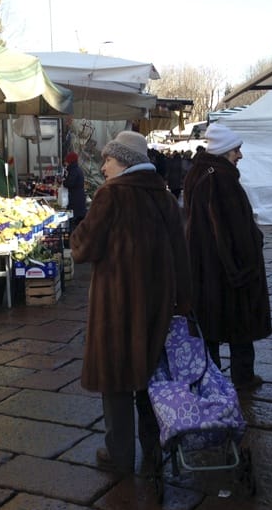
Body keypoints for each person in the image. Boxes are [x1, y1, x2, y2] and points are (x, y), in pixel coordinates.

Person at [70, 130, 192, 475]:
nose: (104, 166)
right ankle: (153, 451)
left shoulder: (111, 196)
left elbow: (83, 248)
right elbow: (181, 256)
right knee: (150, 380)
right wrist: (183, 302)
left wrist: (77, 230)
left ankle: (119, 454)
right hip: (157, 306)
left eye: (109, 159)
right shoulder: (166, 199)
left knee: (116, 382)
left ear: (124, 161)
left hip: (117, 308)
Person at [182, 123, 272, 391]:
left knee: (209, 326)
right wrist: (245, 264)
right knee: (239, 324)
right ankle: (243, 377)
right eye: (236, 150)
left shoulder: (199, 174)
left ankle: (211, 378)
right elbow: (231, 229)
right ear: (224, 151)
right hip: (226, 269)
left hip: (203, 265)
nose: (240, 155)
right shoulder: (221, 179)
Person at [62, 151, 87, 228]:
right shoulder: (76, 169)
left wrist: (63, 182)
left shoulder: (73, 170)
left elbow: (70, 183)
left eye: (66, 161)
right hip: (79, 197)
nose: (65, 163)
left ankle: (74, 236)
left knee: (75, 219)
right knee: (78, 218)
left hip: (75, 198)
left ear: (70, 161)